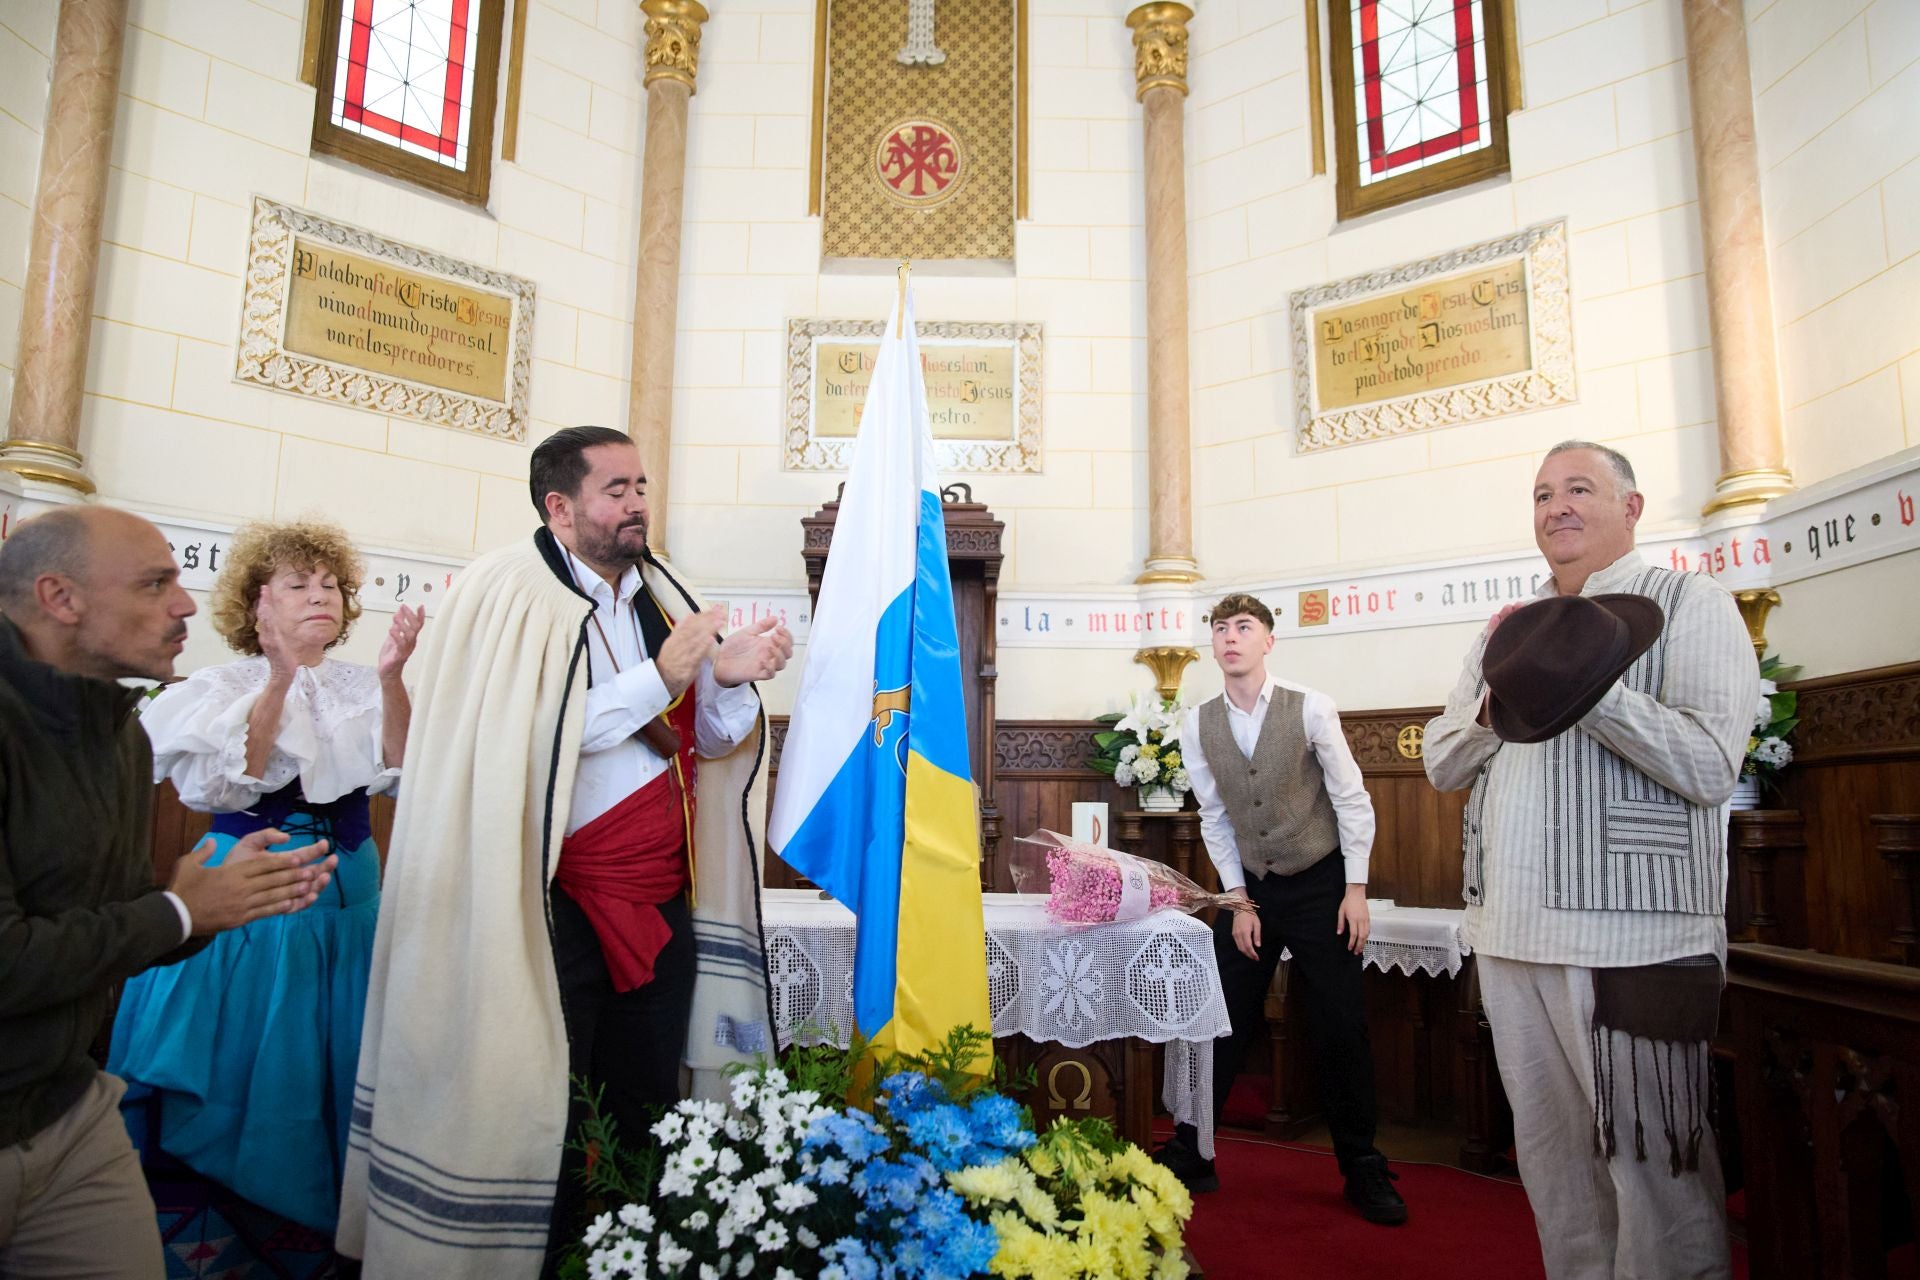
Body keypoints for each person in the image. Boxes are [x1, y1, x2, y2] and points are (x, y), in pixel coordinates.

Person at [337, 426, 793, 1279]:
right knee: (540, 1107)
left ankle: (632, 1253)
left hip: (661, 899)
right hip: (542, 904)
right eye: (616, 489)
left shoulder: (663, 593)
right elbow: (528, 736)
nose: (637, 504)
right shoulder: (508, 592)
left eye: (643, 487)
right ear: (560, 504)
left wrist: (726, 681)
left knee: (646, 1095)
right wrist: (663, 676)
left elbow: (702, 742)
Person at [1424, 441, 1755, 1279]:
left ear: (1632, 507)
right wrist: (1503, 703)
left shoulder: (1691, 602)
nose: (1557, 507)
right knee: (1555, 1171)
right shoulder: (1507, 628)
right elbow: (1439, 760)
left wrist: (1592, 693)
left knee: (1654, 1175)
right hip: (1510, 932)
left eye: (1579, 489)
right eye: (1542, 494)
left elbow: (1712, 767)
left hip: (1633, 939)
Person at [0, 505, 336, 1280]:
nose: (185, 604)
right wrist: (181, 909)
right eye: (156, 585)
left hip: (68, 1112)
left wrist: (201, 908)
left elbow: (107, 921)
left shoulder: (117, 728)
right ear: (61, 598)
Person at [108, 519, 423, 1240]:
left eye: (331, 585)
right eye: (298, 584)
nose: (321, 596)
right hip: (251, 890)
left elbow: (403, 769)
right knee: (245, 1043)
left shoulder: (360, 682)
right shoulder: (224, 683)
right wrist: (280, 679)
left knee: (336, 1044)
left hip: (351, 891)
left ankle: (323, 1209)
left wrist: (392, 677)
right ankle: (218, 1200)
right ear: (258, 603)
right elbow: (234, 780)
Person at [1151, 591, 1407, 1224]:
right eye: (1220, 628)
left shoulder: (1310, 707)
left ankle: (1362, 1167)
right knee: (1218, 1015)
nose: (1230, 637)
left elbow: (1353, 800)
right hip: (1253, 888)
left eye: (1244, 627)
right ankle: (1195, 1150)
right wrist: (1237, 901)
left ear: (1268, 641)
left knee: (1340, 1022)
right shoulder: (1198, 721)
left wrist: (1356, 889)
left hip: (1323, 883)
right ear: (1212, 645)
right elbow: (1213, 815)